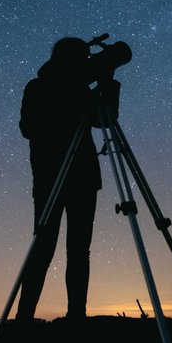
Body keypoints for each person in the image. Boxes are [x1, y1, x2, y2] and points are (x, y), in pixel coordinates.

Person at [16, 37, 118, 321]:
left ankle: (77, 316)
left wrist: (107, 80)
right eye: (81, 57)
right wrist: (64, 97)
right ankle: (24, 316)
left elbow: (106, 120)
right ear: (65, 57)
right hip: (51, 176)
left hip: (83, 177)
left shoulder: (83, 89)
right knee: (43, 246)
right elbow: (29, 128)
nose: (86, 63)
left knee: (79, 250)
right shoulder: (38, 87)